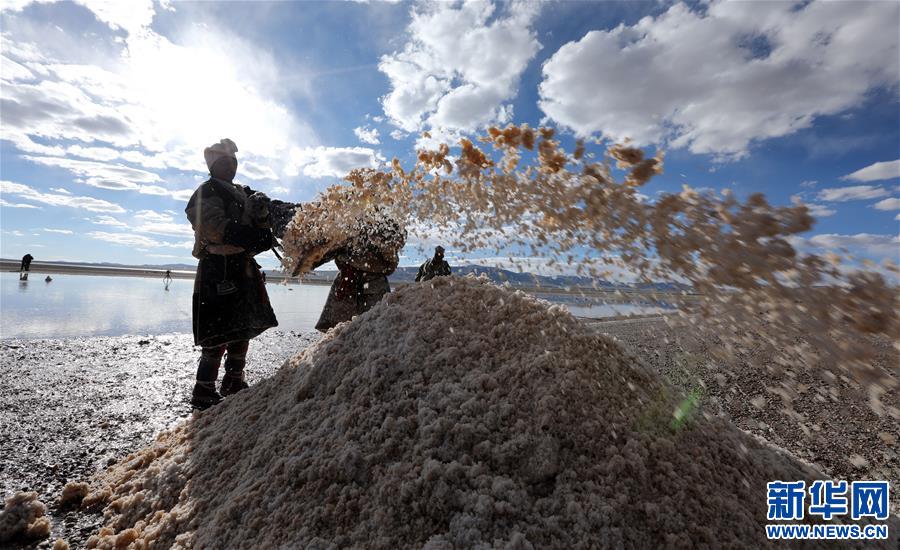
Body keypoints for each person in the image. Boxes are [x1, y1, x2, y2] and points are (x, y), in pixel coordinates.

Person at [184, 138, 279, 410]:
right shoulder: (206, 191)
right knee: (218, 331)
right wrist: (248, 235)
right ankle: (203, 389)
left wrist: (262, 223)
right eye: (225, 162)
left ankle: (233, 380)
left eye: (234, 162)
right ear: (213, 166)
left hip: (242, 266)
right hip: (218, 268)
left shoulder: (242, 192)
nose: (231, 166)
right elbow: (211, 224)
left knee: (243, 328)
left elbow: (259, 220)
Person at [314, 217, 405, 332]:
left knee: (376, 329)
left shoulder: (384, 225)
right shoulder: (345, 220)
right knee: (337, 332)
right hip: (348, 279)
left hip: (370, 282)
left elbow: (393, 252)